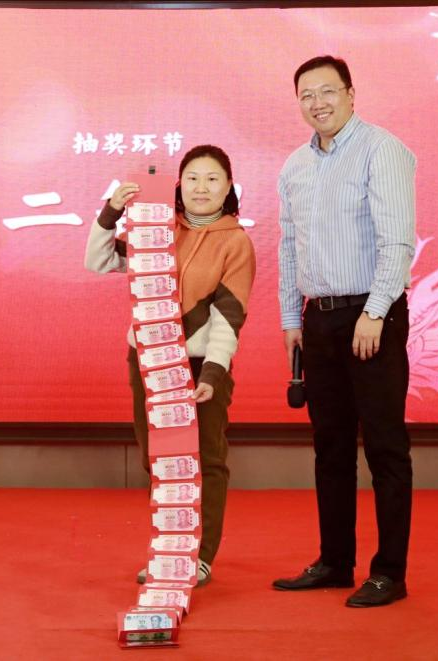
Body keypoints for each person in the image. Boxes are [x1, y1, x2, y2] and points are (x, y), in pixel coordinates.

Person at [272, 56, 416, 608]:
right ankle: (334, 561)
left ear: (351, 94)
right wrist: (292, 319)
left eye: (327, 91)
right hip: (319, 319)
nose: (317, 103)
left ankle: (389, 572)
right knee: (329, 447)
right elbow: (290, 247)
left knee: (384, 446)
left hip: (373, 314)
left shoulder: (383, 150)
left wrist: (375, 312)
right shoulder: (295, 166)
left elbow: (397, 239)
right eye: (306, 95)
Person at [85, 145, 256, 588]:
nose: (202, 187)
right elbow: (98, 260)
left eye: (213, 179)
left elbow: (229, 318)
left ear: (229, 187)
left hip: (201, 366)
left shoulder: (235, 242)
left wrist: (213, 374)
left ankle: (200, 556)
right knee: (159, 461)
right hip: (149, 360)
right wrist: (112, 211)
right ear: (179, 185)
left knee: (207, 460)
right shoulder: (156, 229)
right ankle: (170, 551)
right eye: (193, 178)